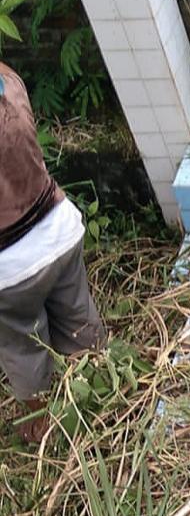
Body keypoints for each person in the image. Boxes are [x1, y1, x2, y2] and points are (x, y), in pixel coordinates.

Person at [0, 61, 105, 443]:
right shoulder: (9, 83)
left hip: (9, 271)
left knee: (24, 347)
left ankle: (43, 425)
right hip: (60, 230)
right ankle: (102, 387)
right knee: (78, 317)